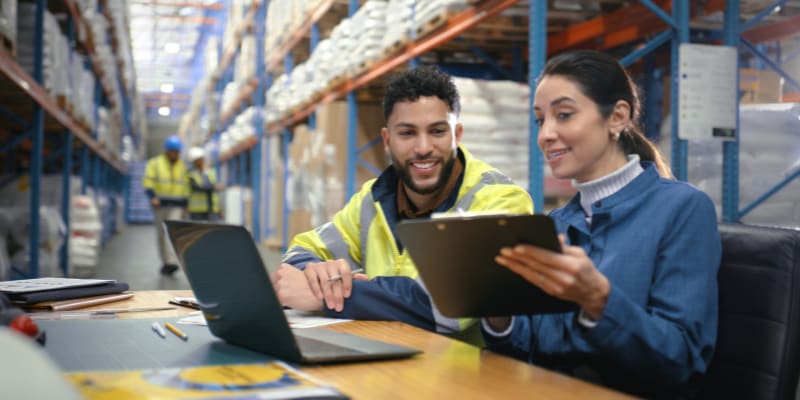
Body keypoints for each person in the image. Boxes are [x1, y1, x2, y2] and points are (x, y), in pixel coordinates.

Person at [481, 49, 721, 398]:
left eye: (564, 115)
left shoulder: (682, 209)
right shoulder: (557, 223)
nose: (545, 134)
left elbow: (680, 361)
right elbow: (533, 346)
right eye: (540, 120)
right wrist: (498, 316)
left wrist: (599, 300)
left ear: (617, 117)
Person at [271, 65, 533, 343]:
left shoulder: (499, 200)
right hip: (386, 357)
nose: (423, 147)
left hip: (467, 366)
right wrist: (317, 276)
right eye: (407, 133)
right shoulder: (373, 200)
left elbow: (450, 306)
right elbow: (301, 251)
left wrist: (332, 296)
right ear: (387, 140)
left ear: (457, 134)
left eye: (437, 131)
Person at [142, 135, 190, 275]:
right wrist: (152, 197)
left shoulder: (182, 166)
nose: (176, 154)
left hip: (176, 205)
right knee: (161, 234)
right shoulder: (155, 163)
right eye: (173, 151)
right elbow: (148, 181)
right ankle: (166, 261)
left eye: (177, 152)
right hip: (160, 205)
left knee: (173, 233)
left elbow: (186, 186)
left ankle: (172, 261)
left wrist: (186, 204)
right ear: (167, 151)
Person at [186, 147, 222, 221]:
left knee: (212, 227)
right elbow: (198, 187)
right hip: (196, 210)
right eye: (198, 160)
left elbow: (211, 185)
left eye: (201, 159)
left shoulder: (210, 172)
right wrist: (214, 187)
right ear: (194, 162)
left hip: (211, 209)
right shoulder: (190, 174)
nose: (200, 162)